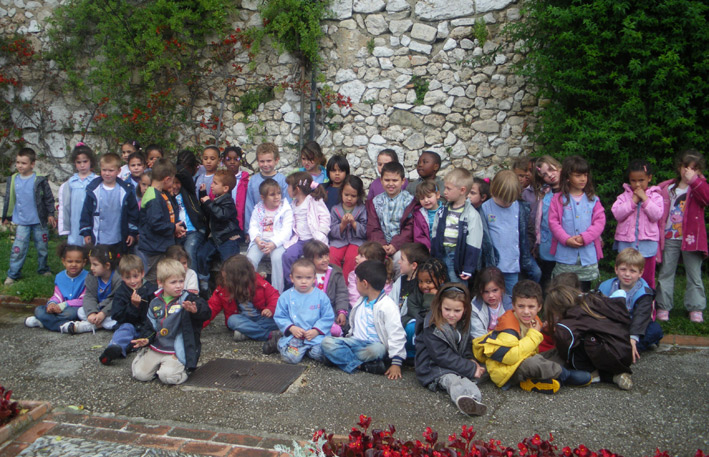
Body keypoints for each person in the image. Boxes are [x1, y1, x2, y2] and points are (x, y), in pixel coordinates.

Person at [473, 280, 591, 394]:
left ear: (539, 307)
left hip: (525, 357)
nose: (526, 311)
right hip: (506, 371)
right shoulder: (508, 326)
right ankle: (565, 376)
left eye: (531, 307)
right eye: (521, 306)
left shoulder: (534, 320)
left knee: (556, 352)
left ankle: (536, 381)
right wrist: (534, 335)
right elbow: (510, 357)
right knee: (532, 362)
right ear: (513, 305)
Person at [321, 260, 406, 379]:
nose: (356, 285)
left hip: (374, 346)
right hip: (355, 342)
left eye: (356, 282)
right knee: (326, 342)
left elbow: (396, 334)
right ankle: (364, 366)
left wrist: (396, 363)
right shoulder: (361, 301)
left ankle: (341, 360)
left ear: (365, 284)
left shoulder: (387, 306)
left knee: (377, 349)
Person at [131, 258, 210, 385]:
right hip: (157, 347)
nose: (178, 285)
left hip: (176, 350)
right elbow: (150, 326)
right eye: (173, 282)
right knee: (140, 374)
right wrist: (146, 339)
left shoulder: (188, 298)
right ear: (160, 283)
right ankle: (147, 358)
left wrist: (195, 310)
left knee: (167, 377)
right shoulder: (155, 302)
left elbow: (206, 311)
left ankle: (183, 369)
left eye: (181, 281)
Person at [415, 283, 487, 416]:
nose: (451, 315)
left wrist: (470, 360)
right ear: (439, 306)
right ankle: (460, 398)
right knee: (451, 379)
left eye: (457, 311)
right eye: (447, 309)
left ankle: (474, 400)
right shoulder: (432, 326)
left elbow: (466, 344)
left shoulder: (463, 323)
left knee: (469, 379)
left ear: (465, 309)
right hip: (432, 366)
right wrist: (470, 367)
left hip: (453, 362)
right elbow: (441, 355)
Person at [544, 285, 634, 390]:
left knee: (574, 348)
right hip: (624, 352)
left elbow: (564, 340)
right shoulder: (593, 299)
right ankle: (615, 375)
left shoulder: (572, 318)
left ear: (558, 309)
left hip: (609, 354)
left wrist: (566, 359)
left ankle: (594, 373)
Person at [655, 149, 709, 323]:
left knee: (694, 275)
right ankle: (663, 307)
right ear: (679, 167)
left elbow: (706, 199)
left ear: (700, 171)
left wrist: (695, 181)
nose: (688, 171)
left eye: (694, 168)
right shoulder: (669, 187)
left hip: (691, 239)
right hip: (670, 237)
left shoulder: (699, 187)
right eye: (686, 167)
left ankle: (696, 308)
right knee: (666, 273)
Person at [549, 156, 605, 292]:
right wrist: (566, 239)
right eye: (578, 175)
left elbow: (599, 222)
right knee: (565, 289)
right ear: (567, 177)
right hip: (565, 256)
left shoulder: (593, 199)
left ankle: (582, 312)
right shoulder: (558, 200)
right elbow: (553, 222)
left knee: (584, 290)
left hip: (587, 255)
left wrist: (584, 237)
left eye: (585, 175)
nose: (583, 179)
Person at [264, 258, 334, 364]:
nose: (304, 281)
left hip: (316, 337)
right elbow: (280, 316)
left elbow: (327, 317)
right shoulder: (286, 296)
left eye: (308, 277)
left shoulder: (321, 296)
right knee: (291, 358)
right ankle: (279, 342)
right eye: (299, 277)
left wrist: (316, 330)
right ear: (292, 278)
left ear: (314, 278)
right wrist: (291, 328)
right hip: (295, 337)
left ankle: (308, 351)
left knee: (322, 354)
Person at [479, 170, 540, 292]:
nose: (507, 203)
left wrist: (528, 246)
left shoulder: (521, 207)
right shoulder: (485, 209)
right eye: (503, 199)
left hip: (513, 261)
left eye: (510, 200)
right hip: (495, 263)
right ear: (494, 191)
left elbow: (528, 230)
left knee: (535, 274)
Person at [598, 248, 664, 361]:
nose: (627, 274)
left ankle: (628, 348)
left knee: (655, 330)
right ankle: (615, 347)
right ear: (616, 269)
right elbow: (596, 309)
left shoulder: (644, 292)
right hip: (610, 325)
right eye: (623, 269)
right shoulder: (604, 287)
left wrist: (633, 338)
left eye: (632, 271)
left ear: (640, 273)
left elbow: (641, 316)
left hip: (633, 326)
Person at [3, 147, 57, 284]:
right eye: (18, 162)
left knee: (42, 247)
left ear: (32, 164)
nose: (20, 166)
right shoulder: (13, 179)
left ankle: (43, 269)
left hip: (39, 221)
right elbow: (9, 198)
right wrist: (6, 216)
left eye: (24, 163)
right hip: (22, 221)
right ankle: (13, 274)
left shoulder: (39, 180)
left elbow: (48, 198)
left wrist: (50, 214)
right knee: (18, 249)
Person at [611, 159, 664, 288]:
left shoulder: (656, 197)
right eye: (633, 181)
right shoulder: (624, 197)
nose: (637, 184)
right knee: (625, 276)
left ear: (649, 178)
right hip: (626, 245)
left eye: (641, 180)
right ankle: (623, 302)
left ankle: (647, 305)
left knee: (646, 278)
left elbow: (656, 215)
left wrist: (645, 199)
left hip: (647, 246)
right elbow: (617, 214)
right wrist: (633, 201)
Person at [99, 254, 158, 365]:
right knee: (125, 329)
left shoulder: (151, 289)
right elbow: (117, 315)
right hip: (130, 325)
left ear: (142, 273)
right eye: (127, 277)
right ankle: (114, 349)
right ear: (122, 277)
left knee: (154, 334)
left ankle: (127, 348)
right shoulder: (121, 291)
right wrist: (133, 306)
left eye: (135, 276)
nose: (132, 281)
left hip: (147, 327)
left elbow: (156, 312)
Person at [204, 255, 279, 342]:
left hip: (261, 318)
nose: (224, 281)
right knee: (232, 320)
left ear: (239, 279)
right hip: (242, 319)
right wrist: (197, 326)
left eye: (227, 279)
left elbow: (275, 297)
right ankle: (269, 336)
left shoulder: (259, 283)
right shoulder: (223, 289)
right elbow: (211, 308)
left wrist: (270, 309)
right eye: (223, 278)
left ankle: (248, 332)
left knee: (278, 321)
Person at [431, 168, 484, 285]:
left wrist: (469, 267)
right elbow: (435, 233)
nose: (445, 192)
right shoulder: (443, 211)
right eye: (445, 188)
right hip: (442, 253)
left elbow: (474, 242)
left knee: (456, 288)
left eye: (449, 189)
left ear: (462, 190)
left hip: (458, 257)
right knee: (441, 285)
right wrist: (434, 256)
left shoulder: (471, 215)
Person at [79, 152, 139, 255]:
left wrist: (132, 232)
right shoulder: (93, 189)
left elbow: (133, 213)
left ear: (118, 171)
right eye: (104, 170)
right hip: (99, 236)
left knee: (117, 263)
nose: (107, 173)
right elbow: (86, 211)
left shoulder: (126, 190)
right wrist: (86, 232)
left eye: (111, 170)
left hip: (118, 236)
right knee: (100, 261)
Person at [281, 171, 330, 290]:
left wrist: (322, 233)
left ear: (296, 189)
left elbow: (325, 217)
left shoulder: (313, 200)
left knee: (313, 258)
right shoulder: (292, 204)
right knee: (288, 256)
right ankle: (291, 284)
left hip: (314, 239)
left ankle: (315, 285)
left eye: (289, 186)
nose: (287, 189)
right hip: (299, 240)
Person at [139, 158, 185, 282]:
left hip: (161, 245)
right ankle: (149, 300)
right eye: (172, 180)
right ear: (167, 179)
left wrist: (176, 228)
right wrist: (173, 228)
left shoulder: (162, 193)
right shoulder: (153, 197)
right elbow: (156, 223)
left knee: (163, 277)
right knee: (153, 279)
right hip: (153, 247)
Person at [24, 244, 88, 332]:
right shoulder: (60, 277)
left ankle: (44, 322)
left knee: (70, 314)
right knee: (39, 310)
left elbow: (84, 299)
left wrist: (64, 305)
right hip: (59, 308)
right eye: (70, 261)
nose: (73, 264)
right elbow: (57, 295)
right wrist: (52, 304)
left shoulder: (88, 277)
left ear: (84, 262)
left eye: (78, 262)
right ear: (63, 261)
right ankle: (63, 325)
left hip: (74, 307)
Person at [366, 161, 414, 275]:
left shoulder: (410, 201)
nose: (391, 184)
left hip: (402, 245)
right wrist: (382, 244)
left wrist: (395, 245)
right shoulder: (376, 202)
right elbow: (373, 226)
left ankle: (398, 290)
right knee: (373, 258)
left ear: (403, 181)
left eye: (395, 180)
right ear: (381, 181)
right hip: (380, 244)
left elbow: (410, 227)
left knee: (399, 261)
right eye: (387, 180)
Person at [247, 178, 293, 293]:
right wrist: (257, 240)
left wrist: (274, 244)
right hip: (260, 240)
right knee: (249, 260)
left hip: (277, 242)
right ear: (263, 197)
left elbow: (287, 231)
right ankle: (248, 290)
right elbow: (253, 226)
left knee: (278, 259)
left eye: (278, 193)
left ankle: (277, 292)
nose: (277, 197)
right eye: (272, 195)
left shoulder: (285, 209)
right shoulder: (258, 209)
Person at [63, 244, 122, 334]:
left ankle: (90, 326)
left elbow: (117, 300)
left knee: (120, 317)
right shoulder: (92, 276)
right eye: (91, 264)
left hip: (111, 310)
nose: (91, 268)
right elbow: (89, 296)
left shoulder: (118, 278)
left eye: (95, 265)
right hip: (98, 309)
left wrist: (103, 313)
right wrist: (91, 313)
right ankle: (99, 323)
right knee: (81, 311)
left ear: (107, 265)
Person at [401, 257, 448, 358]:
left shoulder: (446, 294)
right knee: (411, 328)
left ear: (441, 279)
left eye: (428, 282)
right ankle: (411, 355)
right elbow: (419, 315)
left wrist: (431, 298)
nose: (423, 285)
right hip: (418, 321)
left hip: (438, 324)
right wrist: (428, 299)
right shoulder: (415, 294)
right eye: (420, 281)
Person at [303, 240, 348, 336]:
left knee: (342, 326)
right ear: (310, 260)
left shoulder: (336, 273)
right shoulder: (305, 275)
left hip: (331, 310)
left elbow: (342, 294)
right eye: (320, 257)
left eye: (326, 255)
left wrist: (341, 312)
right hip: (310, 310)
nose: (325, 260)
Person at [530, 155, 563, 290]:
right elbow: (538, 219)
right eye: (545, 174)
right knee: (547, 280)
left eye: (551, 169)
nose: (550, 175)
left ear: (559, 167)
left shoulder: (572, 191)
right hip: (547, 244)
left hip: (565, 245)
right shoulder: (543, 193)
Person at [171, 171, 207, 290]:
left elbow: (185, 175)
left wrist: (172, 170)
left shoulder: (187, 192)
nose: (175, 186)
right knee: (174, 256)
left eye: (177, 183)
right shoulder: (167, 198)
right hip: (177, 232)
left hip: (193, 231)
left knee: (189, 251)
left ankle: (193, 288)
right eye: (172, 183)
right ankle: (178, 287)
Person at [199, 169, 243, 263]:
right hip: (216, 237)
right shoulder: (216, 199)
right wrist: (203, 194)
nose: (211, 186)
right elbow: (208, 212)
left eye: (215, 183)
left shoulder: (228, 202)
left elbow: (221, 215)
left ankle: (230, 278)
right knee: (201, 256)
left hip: (228, 238)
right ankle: (204, 277)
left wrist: (208, 202)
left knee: (229, 262)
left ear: (225, 188)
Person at [329, 175, 366, 283]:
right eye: (346, 195)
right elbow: (331, 230)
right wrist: (342, 225)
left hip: (356, 241)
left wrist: (354, 223)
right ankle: (334, 283)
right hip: (339, 241)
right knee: (332, 255)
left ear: (359, 196)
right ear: (341, 193)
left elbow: (364, 230)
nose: (349, 198)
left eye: (353, 196)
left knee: (352, 258)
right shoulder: (335, 209)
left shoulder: (362, 209)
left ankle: (346, 285)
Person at [58, 143, 97, 246]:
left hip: (91, 219)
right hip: (75, 219)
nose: (82, 165)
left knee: (91, 246)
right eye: (78, 162)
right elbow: (65, 205)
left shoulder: (96, 180)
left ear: (91, 161)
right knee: (76, 245)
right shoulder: (71, 182)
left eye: (85, 161)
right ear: (74, 163)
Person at [244, 143, 289, 229]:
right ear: (258, 161)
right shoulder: (253, 181)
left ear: (276, 160)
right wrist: (248, 230)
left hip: (277, 226)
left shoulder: (283, 180)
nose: (265, 164)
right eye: (262, 161)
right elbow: (249, 205)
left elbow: (287, 205)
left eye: (269, 161)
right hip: (257, 225)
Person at [347, 241, 394, 309]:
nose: (356, 257)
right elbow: (353, 295)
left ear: (372, 261)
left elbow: (386, 296)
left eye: (361, 256)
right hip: (358, 308)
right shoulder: (354, 275)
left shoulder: (384, 278)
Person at [469, 266, 512, 339]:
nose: (491, 295)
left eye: (495, 290)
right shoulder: (475, 308)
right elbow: (478, 334)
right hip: (483, 344)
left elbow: (511, 331)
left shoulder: (509, 305)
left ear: (502, 288)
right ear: (480, 291)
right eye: (486, 292)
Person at [221, 146, 250, 234]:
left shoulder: (245, 180)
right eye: (228, 159)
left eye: (236, 159)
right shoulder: (220, 179)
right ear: (223, 161)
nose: (232, 162)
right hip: (223, 221)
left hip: (240, 221)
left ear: (240, 160)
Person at [414, 180, 440, 249]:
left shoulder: (446, 211)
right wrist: (427, 248)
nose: (426, 200)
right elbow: (419, 235)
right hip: (427, 249)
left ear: (437, 195)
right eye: (422, 198)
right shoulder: (419, 215)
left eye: (429, 197)